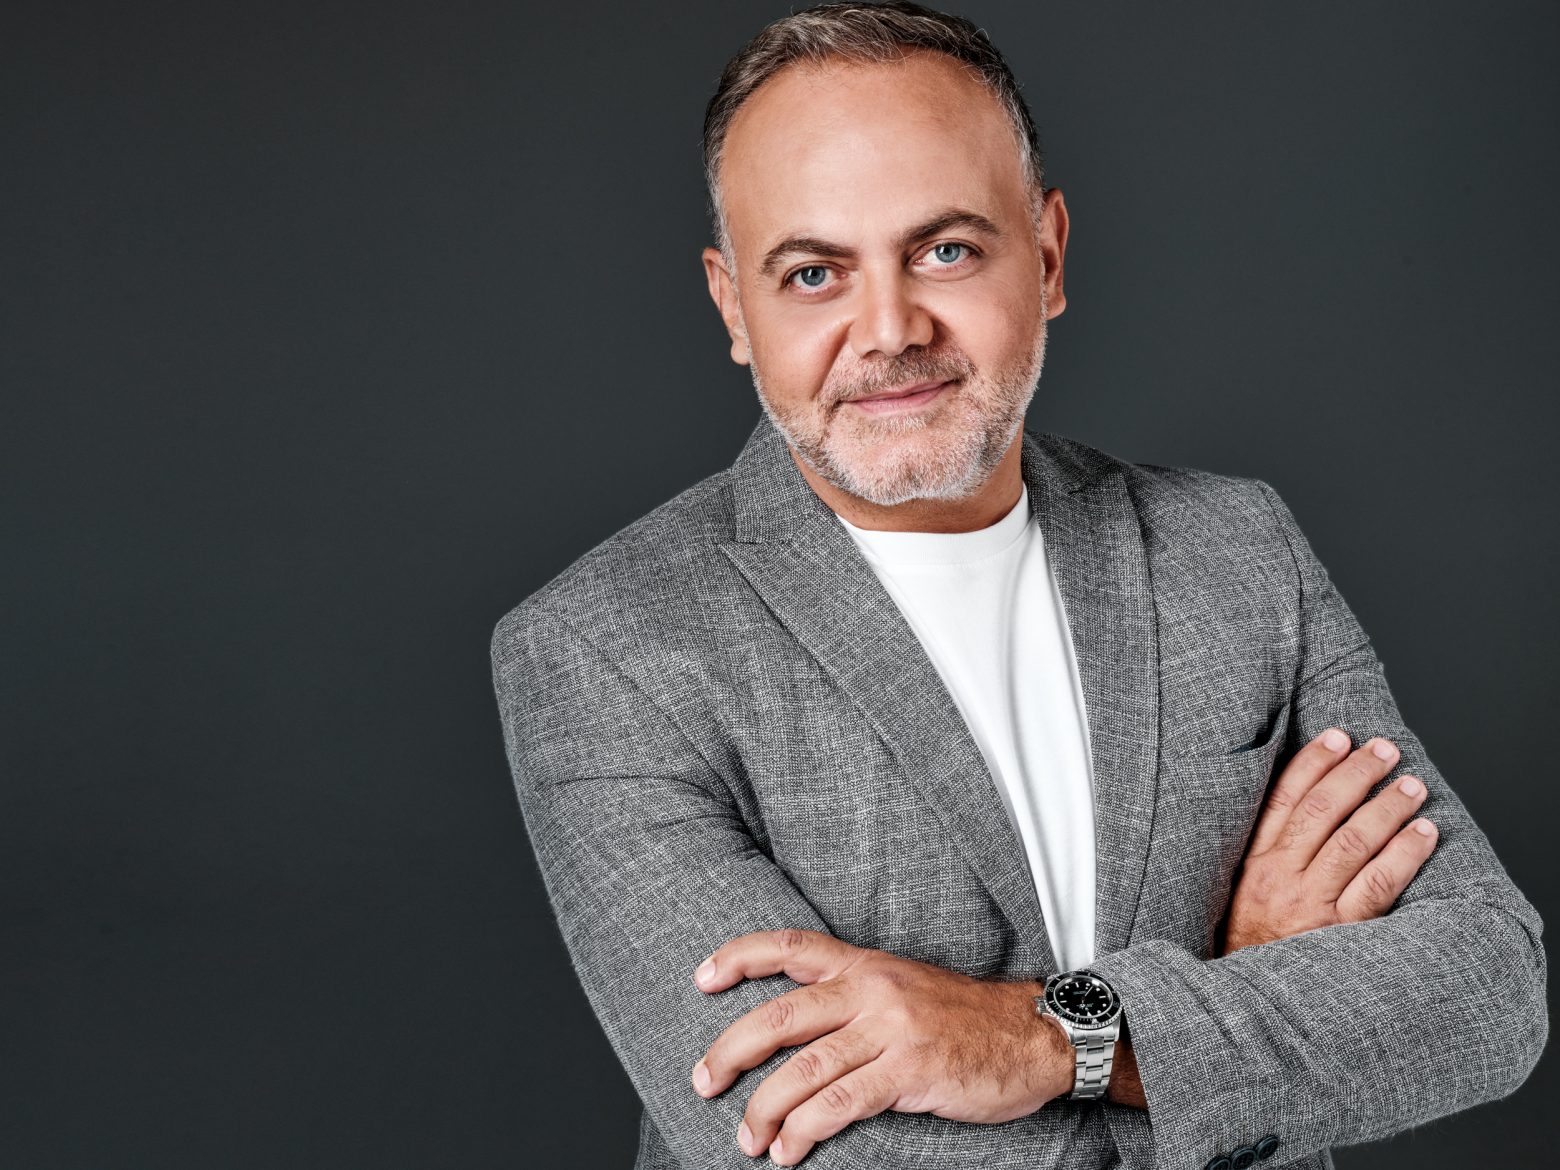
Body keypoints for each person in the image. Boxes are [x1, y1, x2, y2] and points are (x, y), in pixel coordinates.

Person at [489, 4, 1547, 1169]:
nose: (889, 330)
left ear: (1046, 256)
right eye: (813, 273)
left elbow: (1489, 992)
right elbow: (820, 1152)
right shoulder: (603, 649)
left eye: (945, 250)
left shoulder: (1239, 549)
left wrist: (1044, 1039)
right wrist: (1232, 1005)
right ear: (735, 306)